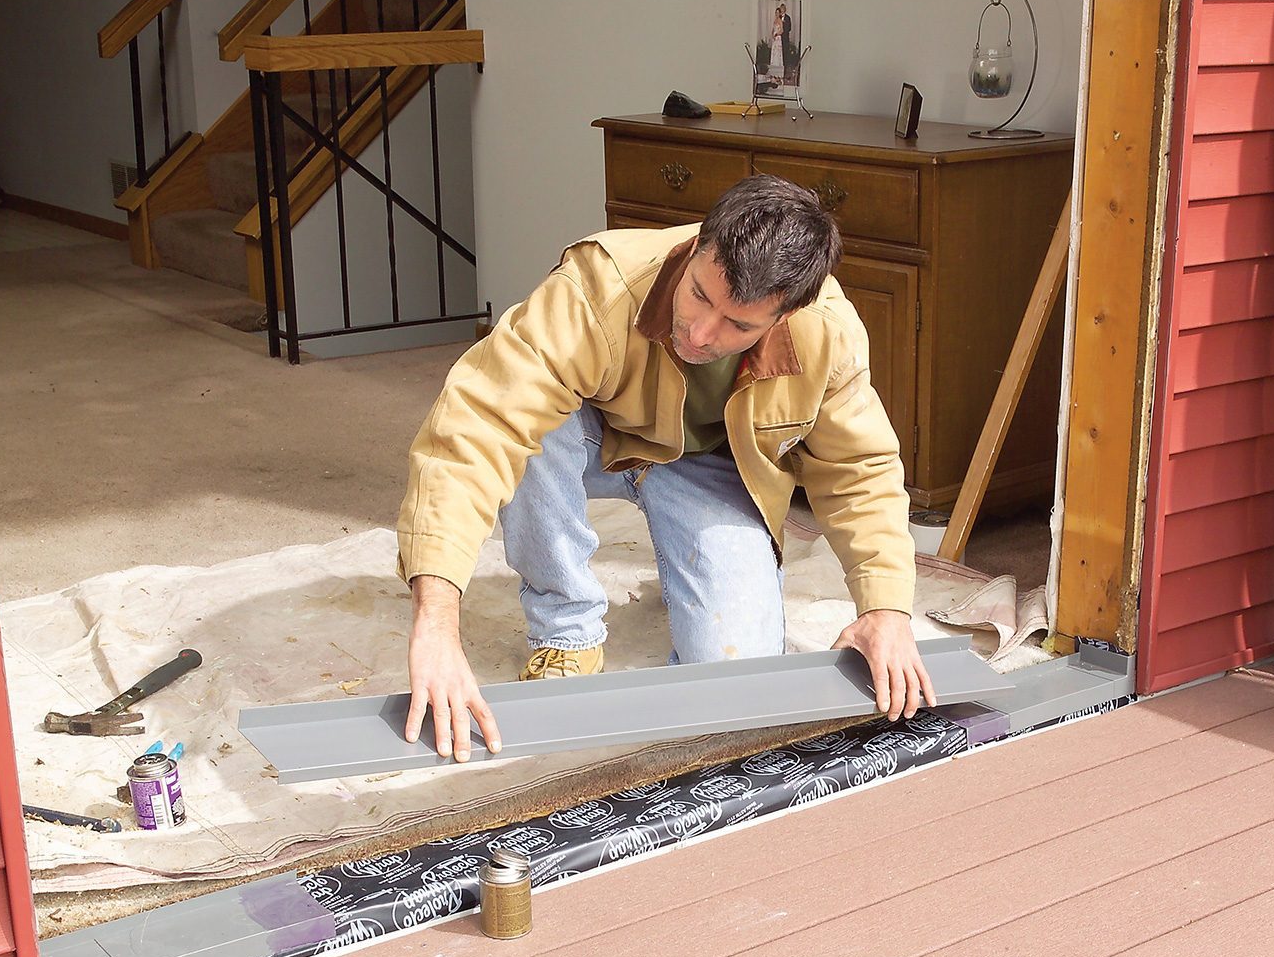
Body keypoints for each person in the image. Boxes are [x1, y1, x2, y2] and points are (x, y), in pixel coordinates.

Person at [397, 175, 934, 761]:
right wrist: (437, 620)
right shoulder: (596, 289)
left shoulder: (826, 331)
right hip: (592, 439)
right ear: (698, 244)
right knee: (531, 429)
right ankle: (566, 628)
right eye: (699, 295)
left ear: (783, 317)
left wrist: (885, 608)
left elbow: (860, 468)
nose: (701, 333)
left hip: (709, 468)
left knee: (737, 692)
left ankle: (690, 581)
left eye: (739, 325)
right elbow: (477, 427)